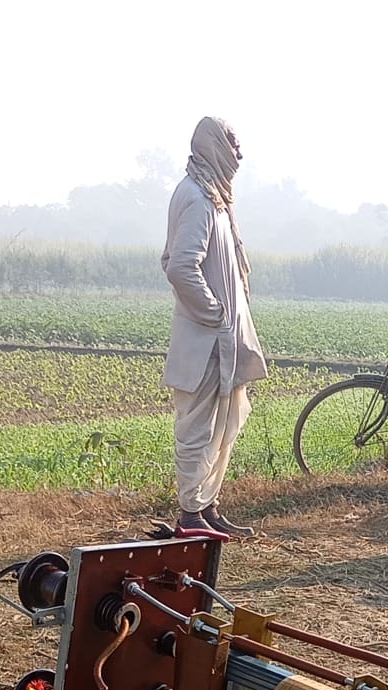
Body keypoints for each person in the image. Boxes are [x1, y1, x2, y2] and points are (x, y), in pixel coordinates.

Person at [160, 116, 268, 539]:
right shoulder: (197, 199)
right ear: (214, 146)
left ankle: (206, 507)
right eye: (232, 143)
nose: (238, 153)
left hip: (223, 343)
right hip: (204, 341)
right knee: (198, 429)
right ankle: (190, 516)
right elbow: (181, 267)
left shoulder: (215, 199)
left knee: (225, 424)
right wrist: (215, 315)